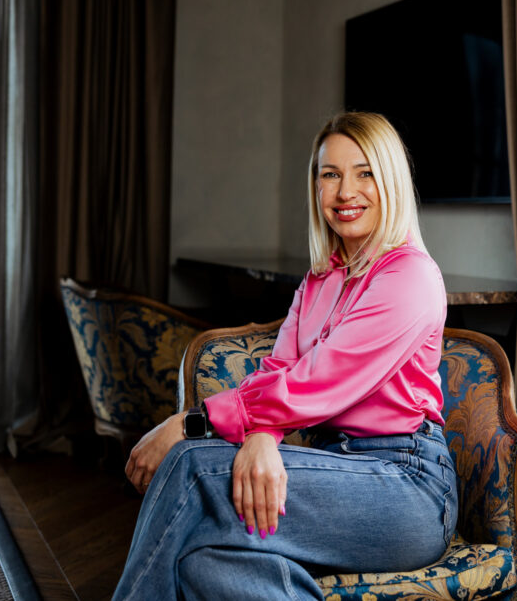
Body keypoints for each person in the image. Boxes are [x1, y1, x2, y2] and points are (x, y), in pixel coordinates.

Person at [112, 112, 457, 600]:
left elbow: (314, 382)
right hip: (327, 465)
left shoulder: (409, 278)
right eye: (330, 174)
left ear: (392, 181)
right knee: (200, 558)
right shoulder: (319, 280)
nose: (345, 191)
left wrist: (189, 424)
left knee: (193, 465)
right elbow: (279, 372)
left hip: (407, 487)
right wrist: (262, 437)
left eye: (364, 173)